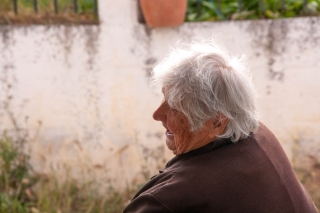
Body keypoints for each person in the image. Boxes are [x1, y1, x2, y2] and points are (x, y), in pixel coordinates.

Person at [123, 39, 319, 213]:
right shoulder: (258, 133)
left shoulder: (170, 199)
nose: (156, 115)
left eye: (174, 108)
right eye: (164, 98)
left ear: (217, 123)